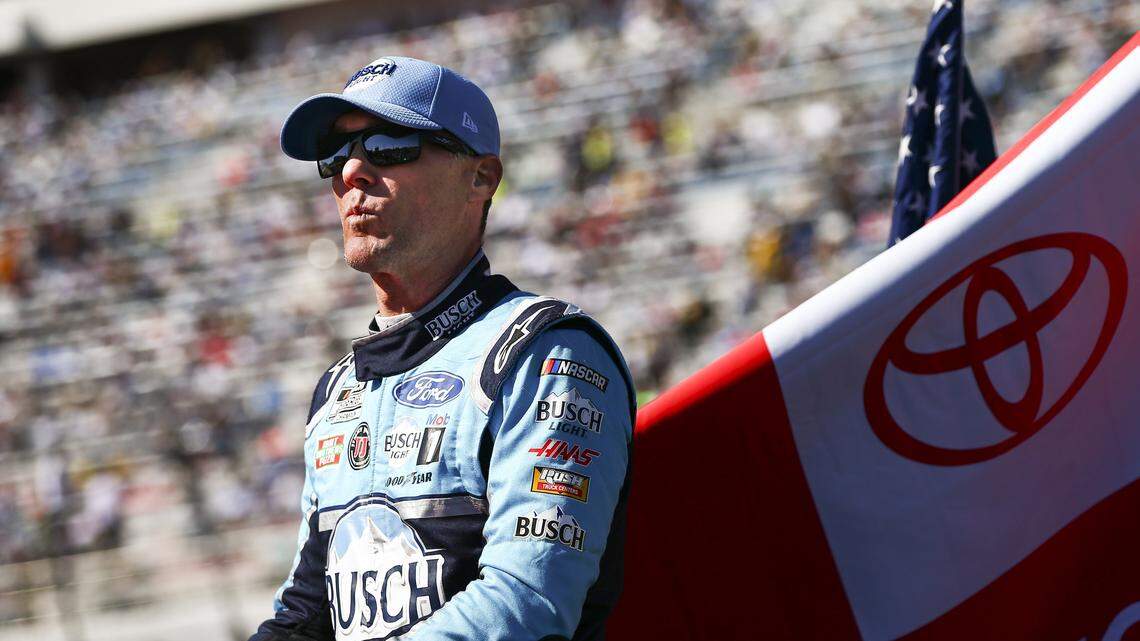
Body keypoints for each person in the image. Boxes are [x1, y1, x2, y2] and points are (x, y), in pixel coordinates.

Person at [250, 56, 635, 641]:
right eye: (336, 153)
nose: (352, 170)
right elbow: (305, 613)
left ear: (481, 178)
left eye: (388, 145)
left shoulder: (547, 353)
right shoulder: (337, 390)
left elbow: (527, 600)